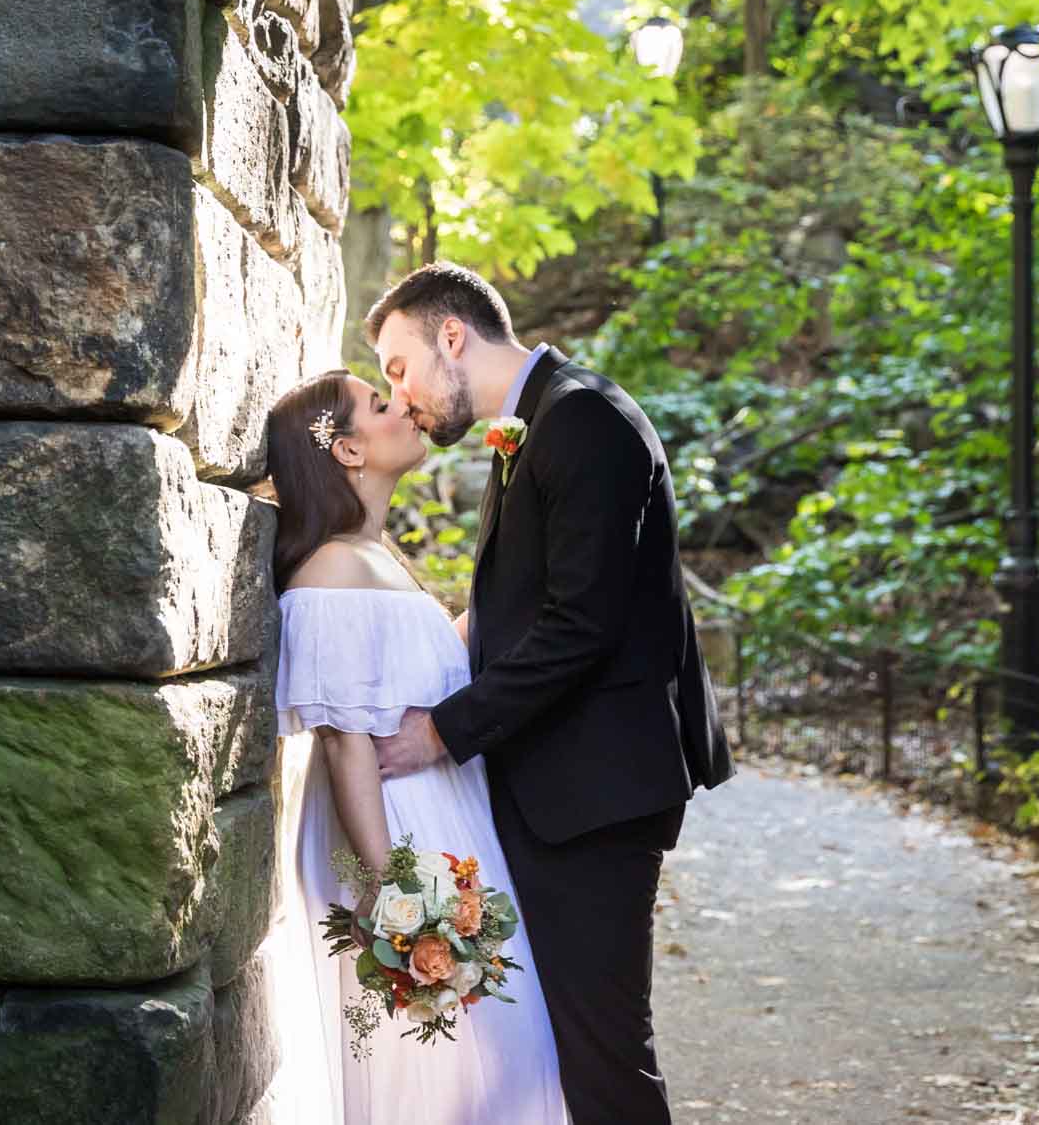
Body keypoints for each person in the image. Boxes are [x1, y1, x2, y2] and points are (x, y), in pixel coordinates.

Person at [365, 263, 734, 1124]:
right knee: (560, 1048)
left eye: (398, 365)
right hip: (561, 789)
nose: (402, 393)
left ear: (450, 335)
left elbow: (582, 624)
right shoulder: (536, 423)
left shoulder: (584, 420)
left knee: (603, 1056)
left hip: (597, 797)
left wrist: (442, 733)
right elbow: (520, 605)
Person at [258, 368, 569, 1125]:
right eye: (380, 401)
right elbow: (346, 742)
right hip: (400, 838)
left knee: (506, 1057)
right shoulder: (330, 569)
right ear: (348, 452)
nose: (405, 407)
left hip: (447, 822)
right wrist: (387, 895)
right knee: (451, 1069)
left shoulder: (377, 557)